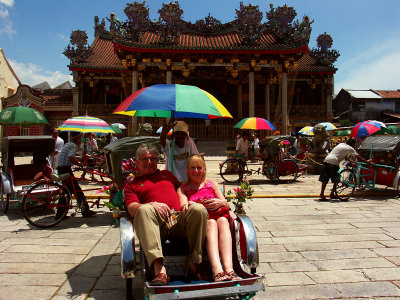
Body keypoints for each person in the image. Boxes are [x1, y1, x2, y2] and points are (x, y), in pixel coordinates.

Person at [124, 144, 208, 286]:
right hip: (155, 223)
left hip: (178, 219)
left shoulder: (167, 175)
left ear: (157, 161)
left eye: (152, 158)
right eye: (144, 159)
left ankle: (193, 265)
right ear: (137, 162)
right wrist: (150, 204)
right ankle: (160, 271)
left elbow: (183, 188)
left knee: (199, 210)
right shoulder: (132, 185)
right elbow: (132, 208)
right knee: (143, 210)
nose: (149, 162)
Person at [178, 155, 240, 282]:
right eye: (193, 168)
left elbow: (226, 203)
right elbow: (183, 206)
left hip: (218, 217)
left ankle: (229, 269)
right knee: (211, 223)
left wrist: (219, 202)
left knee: (222, 221)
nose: (196, 171)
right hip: (202, 223)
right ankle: (217, 270)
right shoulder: (182, 188)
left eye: (199, 168)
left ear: (204, 169)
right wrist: (193, 204)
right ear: (187, 170)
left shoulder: (212, 184)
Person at [57, 132, 96, 217]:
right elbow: (70, 158)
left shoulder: (68, 144)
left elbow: (70, 157)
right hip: (65, 169)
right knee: (77, 191)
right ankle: (85, 211)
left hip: (62, 168)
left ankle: (60, 214)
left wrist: (78, 161)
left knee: (68, 191)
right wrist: (81, 165)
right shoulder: (73, 146)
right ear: (78, 139)